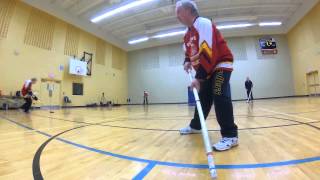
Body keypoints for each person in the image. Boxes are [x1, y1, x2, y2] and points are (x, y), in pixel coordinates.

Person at [176, 0, 238, 151]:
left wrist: (199, 77)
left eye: (178, 12)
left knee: (219, 93)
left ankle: (230, 135)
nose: (176, 16)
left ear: (189, 11)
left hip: (220, 65)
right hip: (206, 70)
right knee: (203, 99)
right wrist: (186, 61)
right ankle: (196, 126)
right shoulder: (187, 34)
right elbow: (188, 52)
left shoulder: (202, 23)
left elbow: (207, 51)